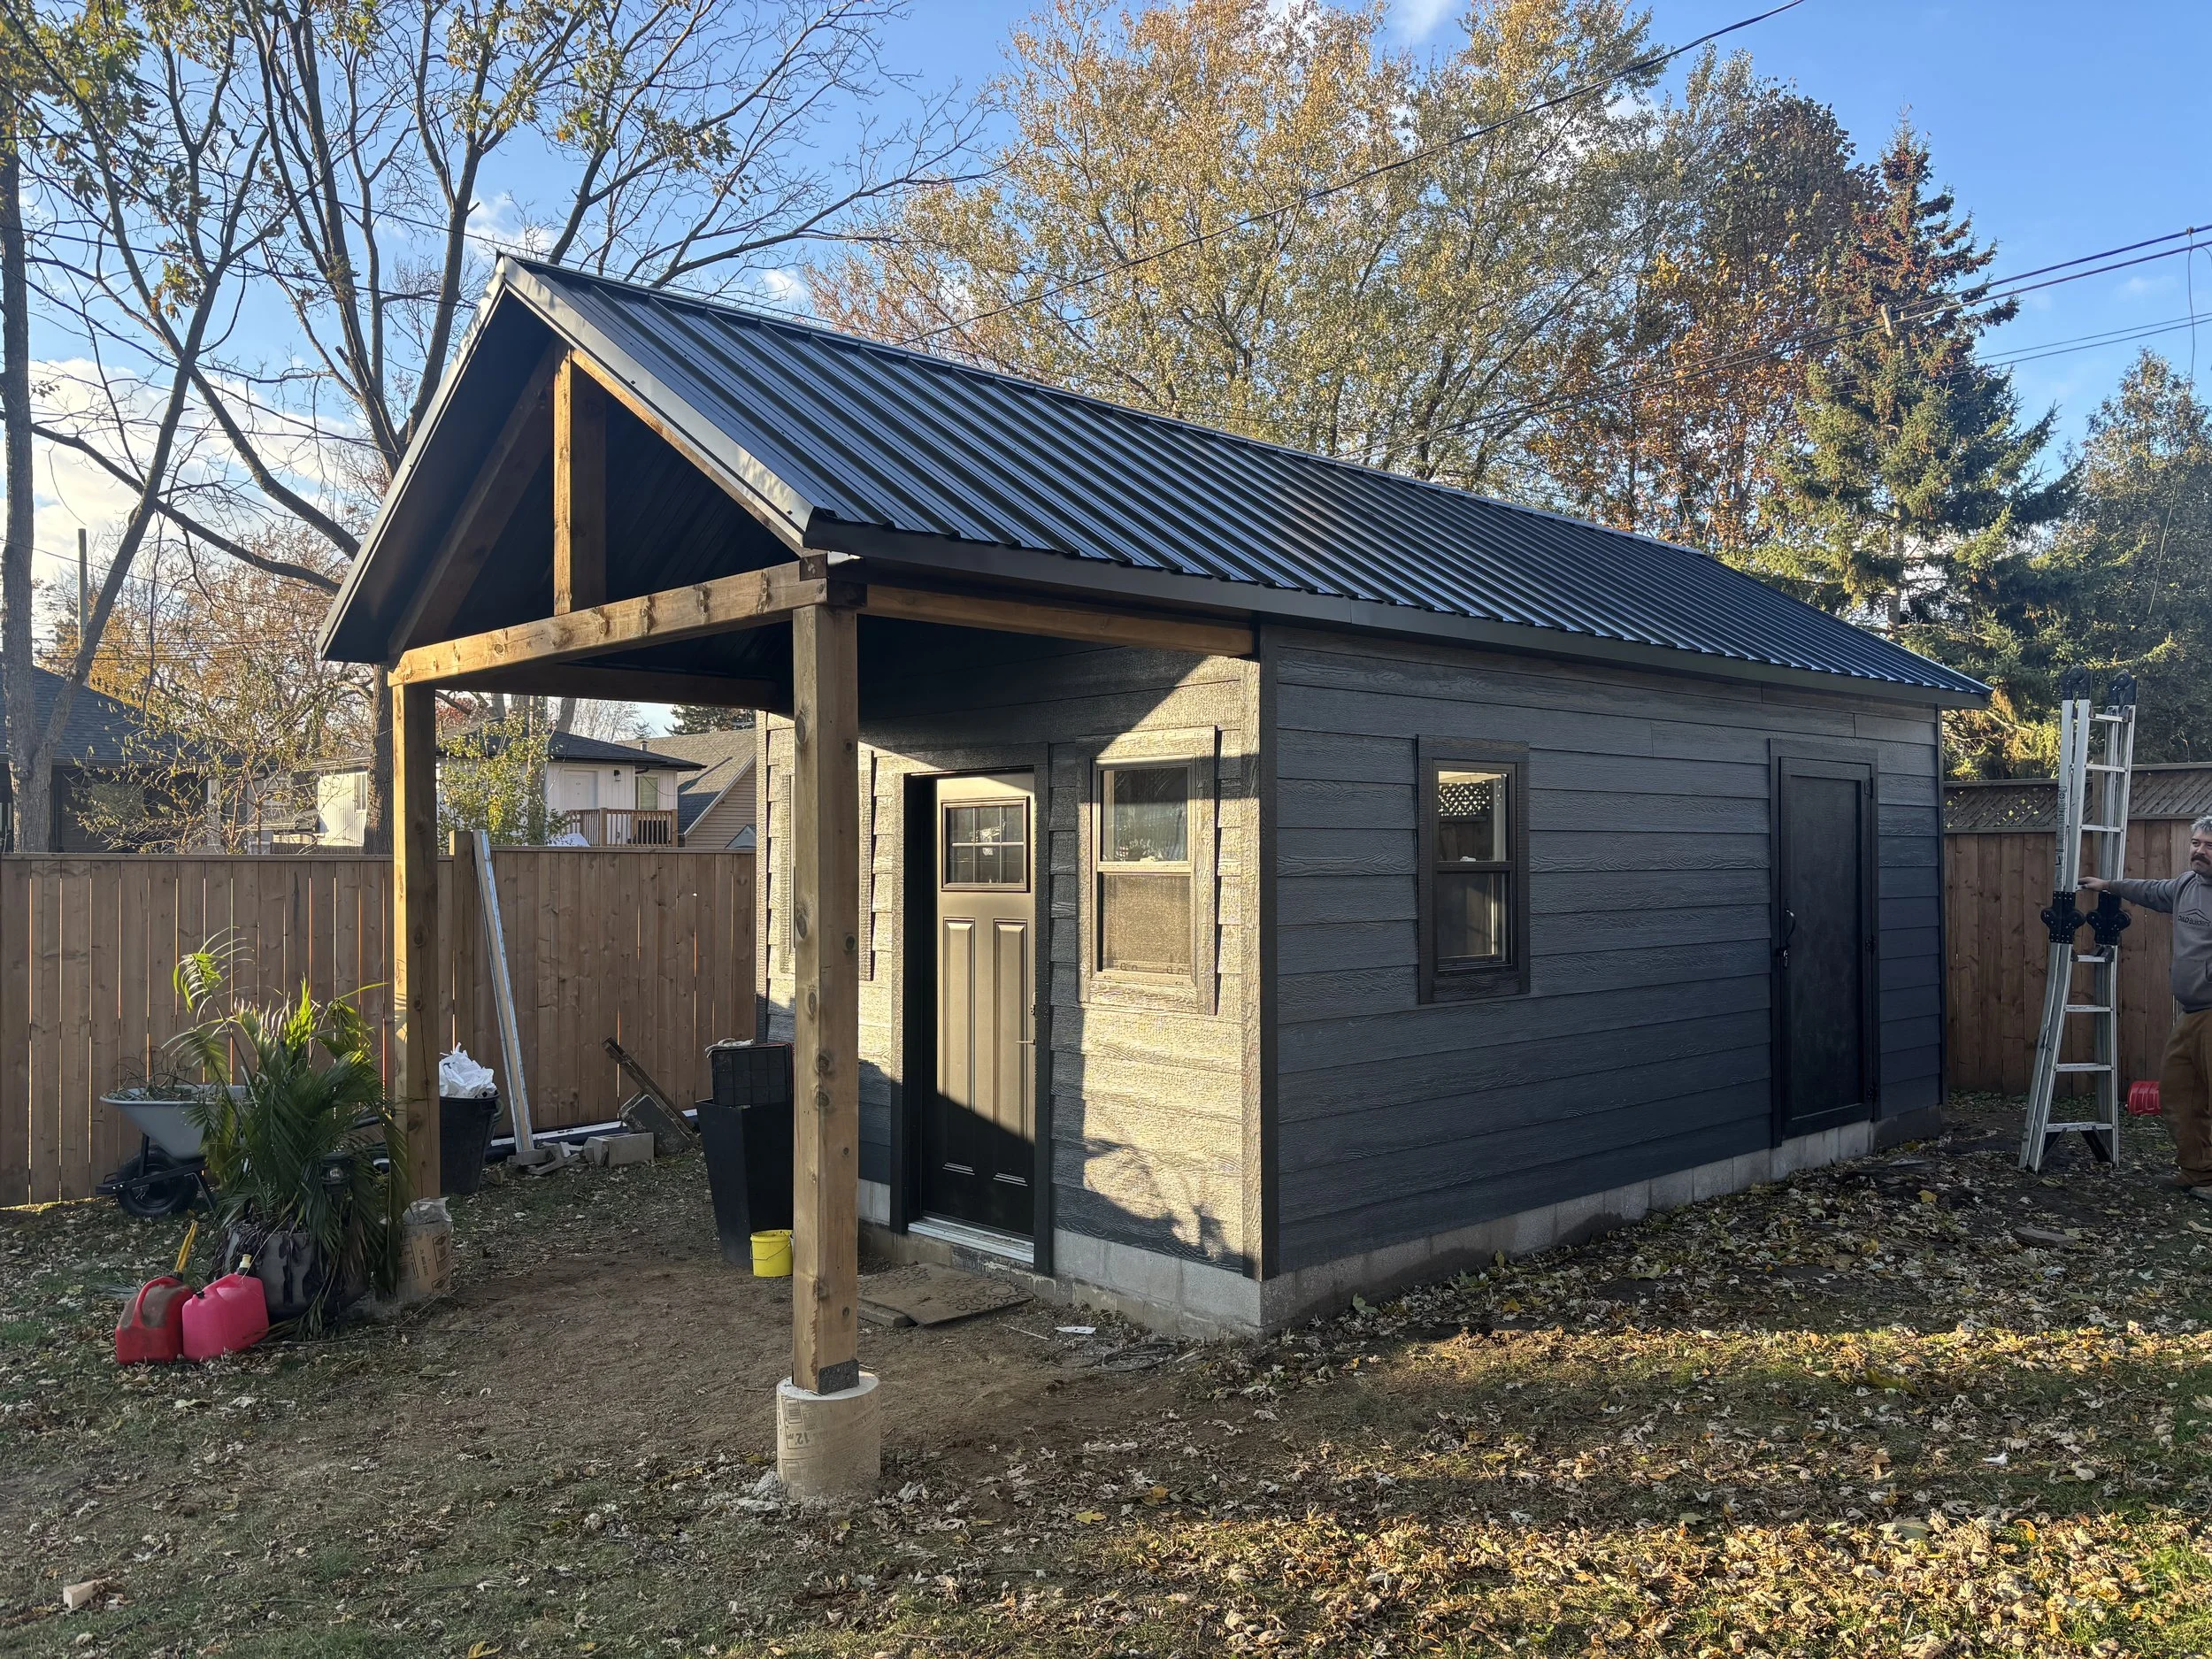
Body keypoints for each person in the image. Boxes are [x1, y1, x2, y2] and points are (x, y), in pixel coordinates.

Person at [2082, 812, 2212, 1199]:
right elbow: (2152, 890)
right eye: (2196, 843)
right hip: (2192, 1013)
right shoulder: (2187, 885)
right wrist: (2109, 885)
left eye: (2209, 846)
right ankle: (2199, 1173)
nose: (2200, 852)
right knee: (2180, 1093)